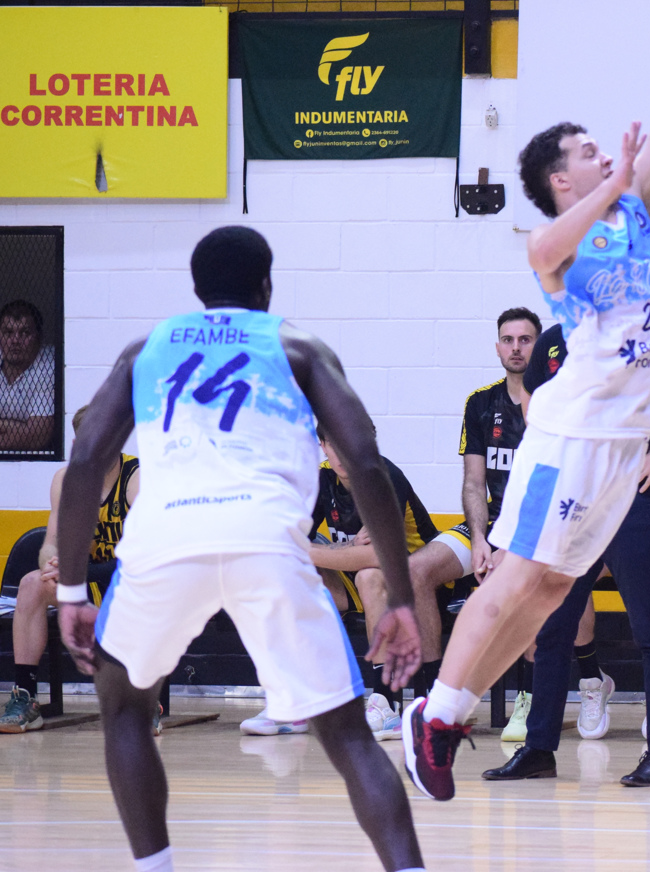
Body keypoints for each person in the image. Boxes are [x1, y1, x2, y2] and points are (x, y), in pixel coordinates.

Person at [400, 0, 650, 802]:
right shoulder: (564, 241)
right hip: (569, 437)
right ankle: (436, 714)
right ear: (564, 179)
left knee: (554, 588)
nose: (605, 151)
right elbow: (540, 251)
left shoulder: (635, 206)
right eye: (588, 151)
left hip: (623, 447)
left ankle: (448, 713)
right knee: (519, 576)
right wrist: (615, 183)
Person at [51, 226, 427, 872]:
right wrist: (398, 596)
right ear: (266, 284)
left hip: (164, 539)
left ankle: (155, 866)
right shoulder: (298, 346)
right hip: (266, 541)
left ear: (197, 289)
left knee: (125, 708)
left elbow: (85, 460)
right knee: (347, 735)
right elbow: (365, 463)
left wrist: (69, 591)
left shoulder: (146, 348)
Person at [482, 333, 650, 786]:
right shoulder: (552, 342)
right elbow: (531, 404)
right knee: (552, 630)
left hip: (628, 502)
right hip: (572, 505)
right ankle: (539, 749)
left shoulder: (645, 334)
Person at [233, 425, 464, 740]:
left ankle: (386, 704)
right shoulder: (321, 480)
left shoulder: (383, 478)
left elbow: (378, 557)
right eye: (333, 443)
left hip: (419, 585)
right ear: (322, 445)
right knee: (289, 575)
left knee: (368, 575)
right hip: (359, 583)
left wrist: (312, 550)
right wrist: (334, 549)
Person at [1, 405, 138, 734]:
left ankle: (143, 703)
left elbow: (143, 558)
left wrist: (79, 573)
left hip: (134, 585)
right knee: (32, 583)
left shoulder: (138, 479)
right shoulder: (66, 481)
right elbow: (50, 543)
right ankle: (25, 698)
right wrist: (51, 564)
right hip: (90, 583)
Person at [455, 307, 539, 739]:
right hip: (489, 521)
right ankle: (440, 698)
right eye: (508, 340)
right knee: (419, 571)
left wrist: (509, 543)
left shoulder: (554, 404)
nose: (516, 348)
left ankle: (528, 698)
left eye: (525, 340)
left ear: (540, 346)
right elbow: (473, 483)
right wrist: (479, 540)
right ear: (497, 347)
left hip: (537, 528)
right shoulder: (481, 403)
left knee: (522, 586)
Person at [0, 298, 55, 453]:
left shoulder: (49, 366)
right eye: (8, 332)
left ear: (39, 337)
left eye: (24, 333)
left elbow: (37, 436)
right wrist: (21, 427)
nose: (15, 340)